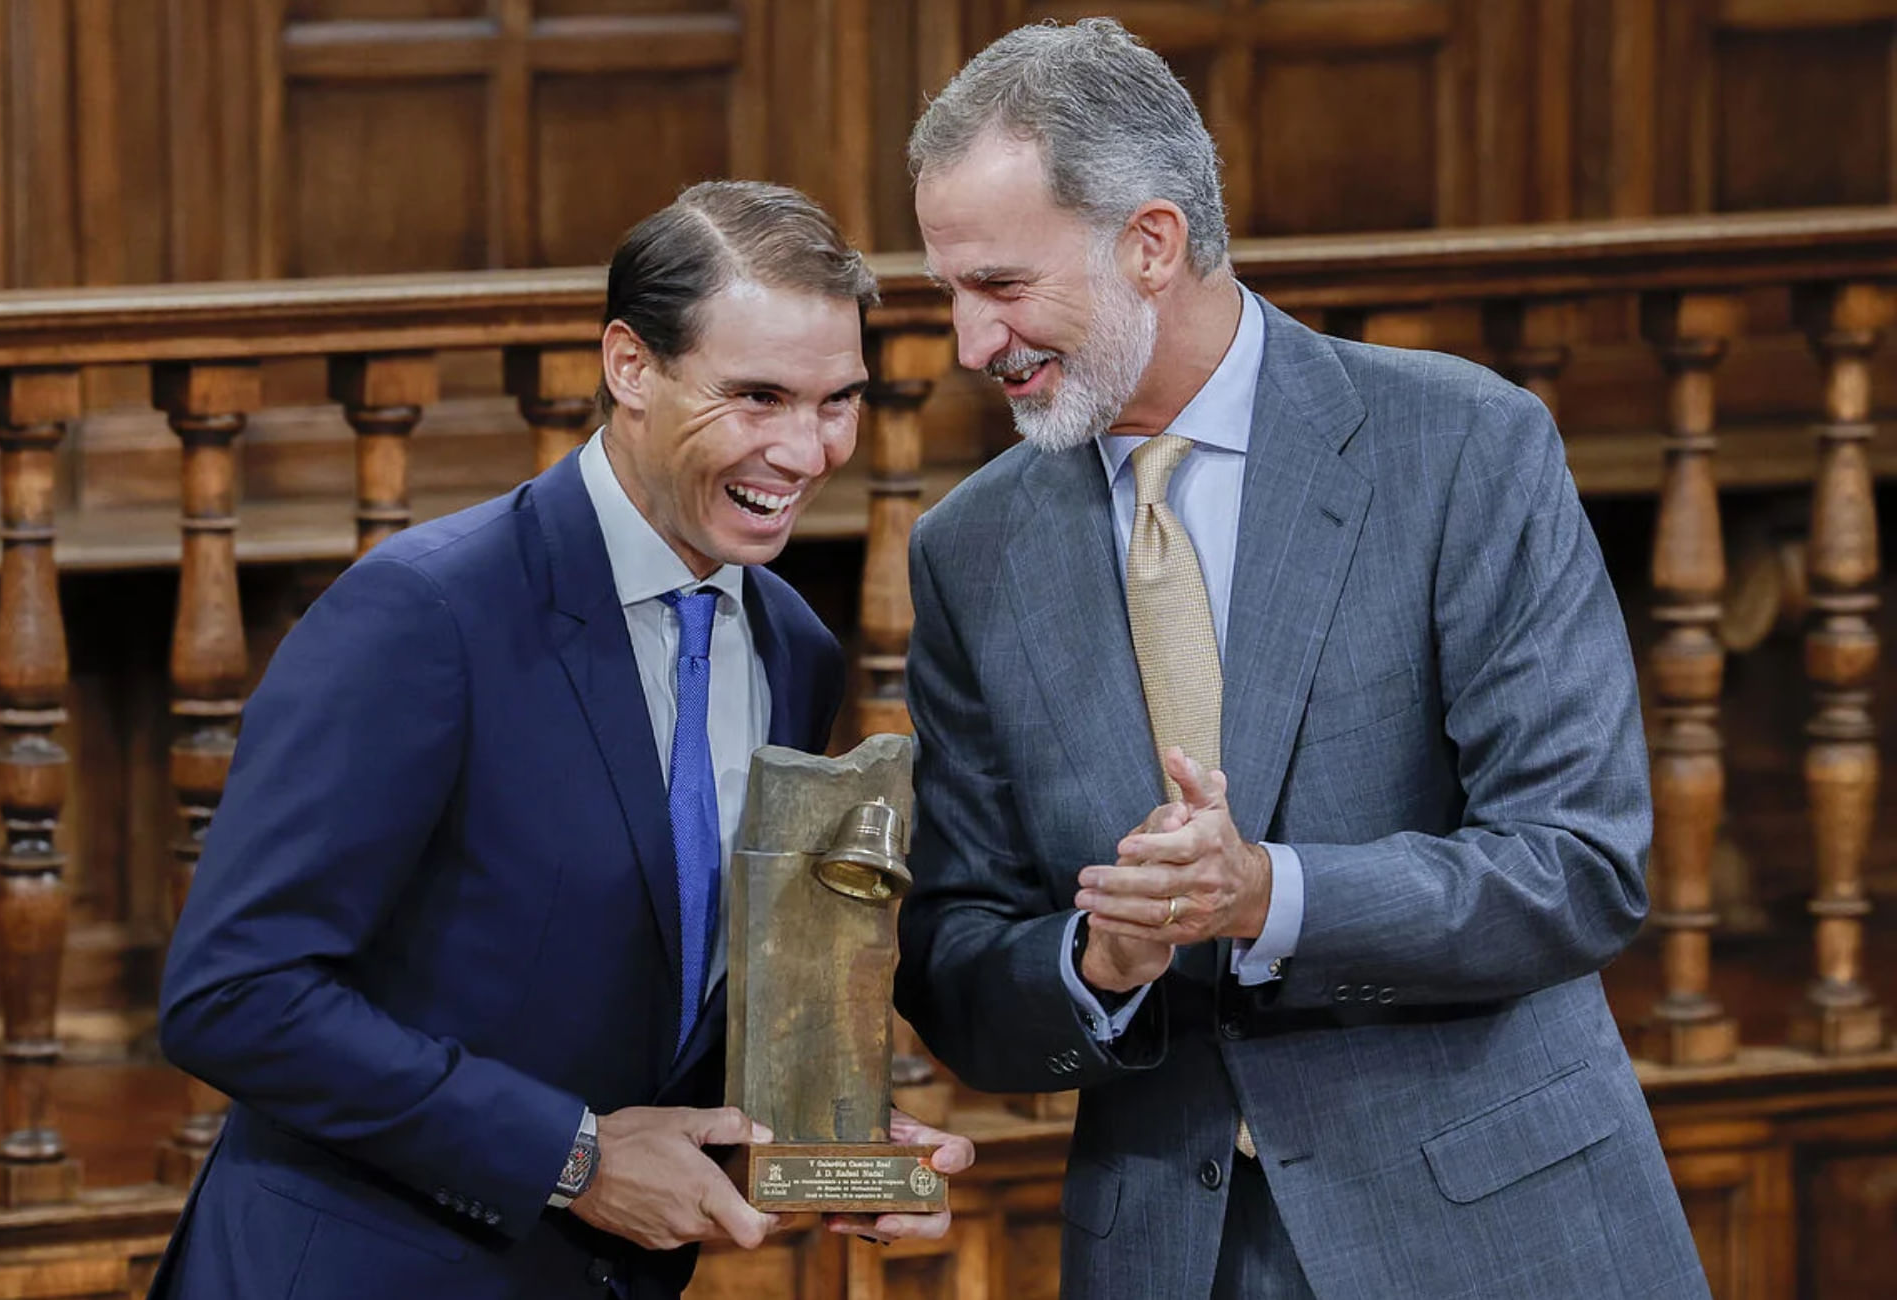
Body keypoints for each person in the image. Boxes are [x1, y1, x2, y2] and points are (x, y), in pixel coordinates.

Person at [892, 19, 1707, 1300]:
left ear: (1149, 243)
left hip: (1492, 1236)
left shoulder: (1463, 446)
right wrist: (1096, 963)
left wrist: (1267, 893)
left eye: (998, 285)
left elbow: (1577, 867)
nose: (968, 342)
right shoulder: (967, 550)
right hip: (1169, 1255)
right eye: (949, 291)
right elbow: (954, 961)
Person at [150, 180, 972, 1300]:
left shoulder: (792, 647)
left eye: (838, 402)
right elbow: (234, 994)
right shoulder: (425, 613)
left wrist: (828, 1147)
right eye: (757, 397)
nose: (804, 449)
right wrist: (569, 1159)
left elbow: (659, 994)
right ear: (629, 366)